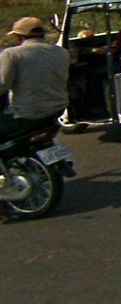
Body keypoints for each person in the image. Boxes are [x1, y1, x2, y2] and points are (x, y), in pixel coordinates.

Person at [0, 17, 69, 200]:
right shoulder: (61, 52)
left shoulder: (12, 54)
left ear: (19, 36)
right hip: (56, 110)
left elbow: (2, 85)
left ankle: (4, 182)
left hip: (27, 114)